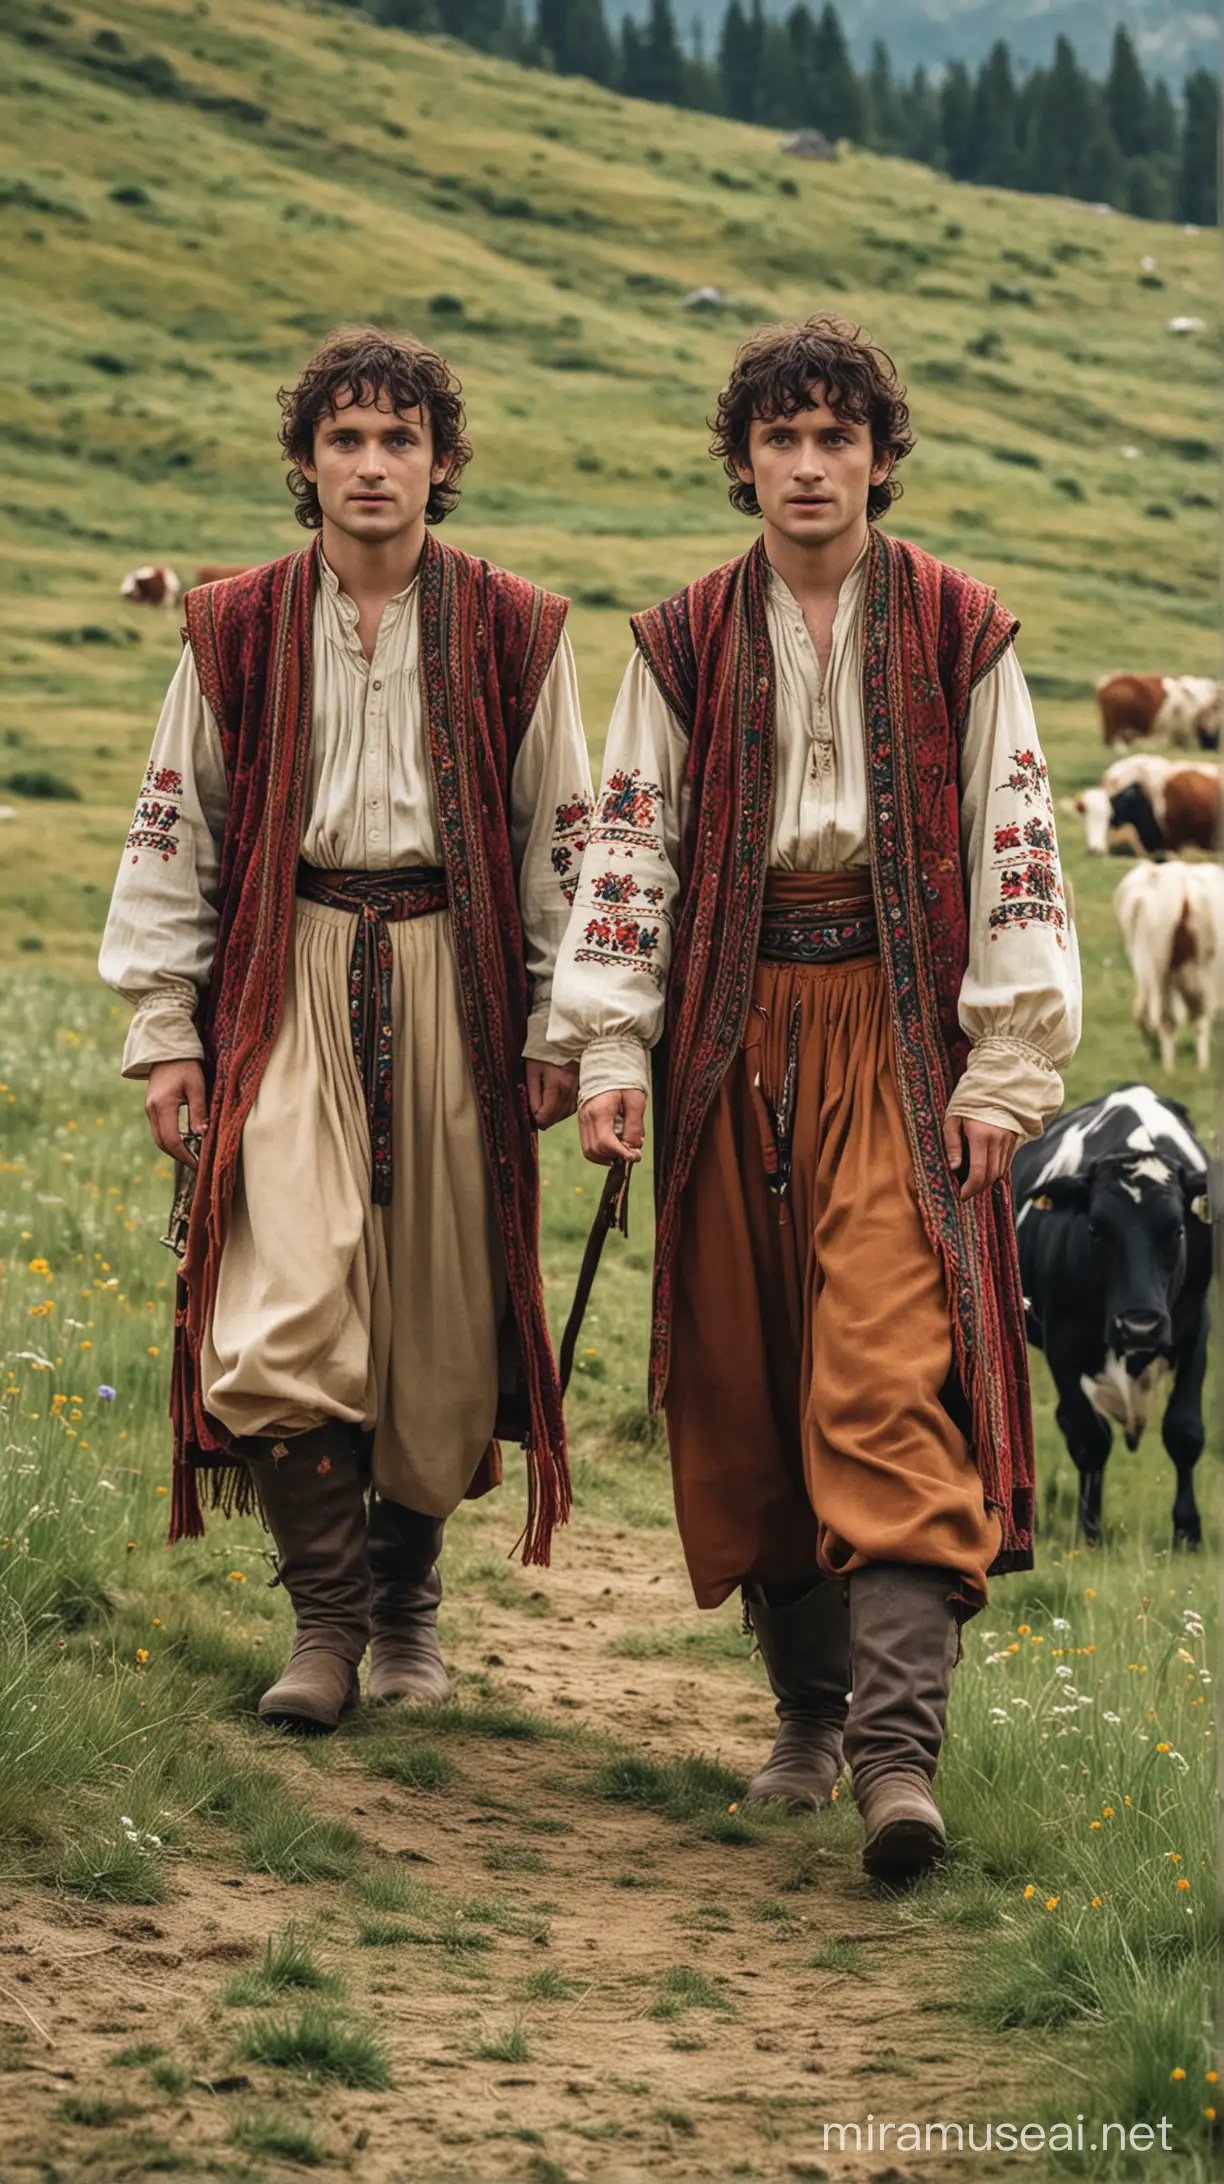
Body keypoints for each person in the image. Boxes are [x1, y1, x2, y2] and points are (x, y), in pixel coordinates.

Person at [548, 315, 1080, 1877]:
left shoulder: (964, 630)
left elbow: (1018, 845)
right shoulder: (680, 640)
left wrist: (1011, 1067)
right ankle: (807, 1717)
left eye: (834, 436)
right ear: (741, 464)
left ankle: (898, 1764)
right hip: (729, 1037)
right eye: (779, 438)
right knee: (755, 1385)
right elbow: (630, 851)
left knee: (887, 1370)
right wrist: (613, 1046)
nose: (806, 464)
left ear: (881, 459)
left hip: (902, 1047)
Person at [100, 326, 594, 1733]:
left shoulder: (516, 626)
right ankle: (323, 1626)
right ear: (307, 465)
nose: (372, 465)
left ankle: (407, 1606)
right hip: (287, 973)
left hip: (456, 977)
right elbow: (174, 824)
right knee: (281, 1312)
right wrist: (167, 1026)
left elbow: (565, 832)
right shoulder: (234, 626)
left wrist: (569, 1020)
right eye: (345, 439)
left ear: (442, 465)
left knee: (435, 1331)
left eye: (400, 440)